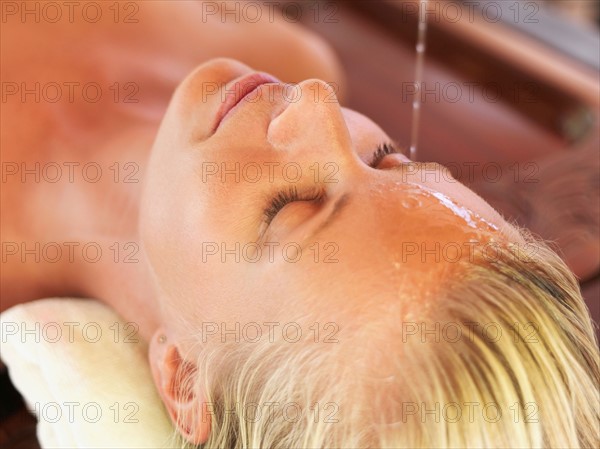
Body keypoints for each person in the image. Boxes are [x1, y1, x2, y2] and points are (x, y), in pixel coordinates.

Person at [1, 2, 598, 447]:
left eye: (291, 204)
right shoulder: (282, 54)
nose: (314, 102)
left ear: (185, 378)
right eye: (386, 157)